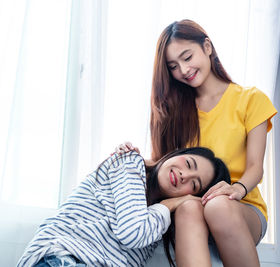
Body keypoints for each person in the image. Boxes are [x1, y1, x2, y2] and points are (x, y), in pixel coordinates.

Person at [115, 19, 278, 267]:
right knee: (189, 207)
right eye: (173, 66)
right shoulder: (174, 111)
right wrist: (130, 155)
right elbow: (164, 165)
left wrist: (237, 189)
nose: (183, 69)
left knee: (218, 206)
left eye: (187, 57)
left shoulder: (250, 99)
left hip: (240, 206)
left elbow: (256, 168)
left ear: (208, 47)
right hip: (191, 206)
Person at [17, 147, 230, 267]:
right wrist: (170, 203)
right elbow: (132, 233)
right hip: (63, 258)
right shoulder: (130, 162)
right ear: (175, 154)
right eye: (188, 164)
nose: (185, 174)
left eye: (194, 184)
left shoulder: (158, 224)